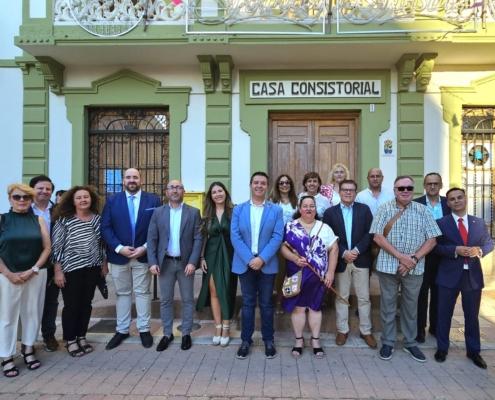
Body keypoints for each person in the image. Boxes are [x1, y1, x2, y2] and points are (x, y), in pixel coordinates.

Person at [370, 175, 441, 363]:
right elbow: (378, 237)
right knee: (388, 305)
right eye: (401, 188)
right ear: (394, 190)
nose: (405, 191)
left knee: (412, 306)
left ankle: (410, 343)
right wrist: (402, 257)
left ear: (414, 190)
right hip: (388, 266)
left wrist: (414, 259)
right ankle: (388, 341)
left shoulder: (423, 211)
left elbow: (432, 239)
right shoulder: (384, 209)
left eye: (409, 188)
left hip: (415, 268)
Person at [433, 188, 494, 369]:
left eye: (460, 197)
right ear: (448, 203)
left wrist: (479, 250)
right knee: (444, 314)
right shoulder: (441, 223)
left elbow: (489, 243)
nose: (457, 201)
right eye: (452, 199)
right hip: (448, 275)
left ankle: (473, 351)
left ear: (465, 199)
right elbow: (435, 247)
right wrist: (454, 250)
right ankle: (442, 348)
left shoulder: (479, 222)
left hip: (472, 276)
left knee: (472, 316)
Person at [102, 168, 162, 350]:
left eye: (135, 177)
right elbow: (105, 227)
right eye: (128, 177)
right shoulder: (112, 200)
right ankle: (122, 329)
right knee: (122, 293)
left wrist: (145, 247)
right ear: (123, 181)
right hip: (119, 256)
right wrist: (120, 248)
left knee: (143, 293)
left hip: (143, 255)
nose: (132, 180)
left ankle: (144, 329)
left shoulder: (153, 200)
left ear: (141, 180)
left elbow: (158, 227)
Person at [231, 171, 284, 360]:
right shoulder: (239, 209)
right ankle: (246, 340)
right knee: (247, 303)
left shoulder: (276, 210)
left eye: (263, 183)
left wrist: (261, 259)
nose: (259, 186)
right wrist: (250, 259)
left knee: (266, 304)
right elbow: (235, 236)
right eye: (256, 183)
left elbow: (277, 237)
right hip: (245, 264)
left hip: (266, 264)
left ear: (267, 186)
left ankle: (268, 339)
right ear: (250, 185)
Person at [51, 185, 108, 358]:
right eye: (79, 197)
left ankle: (82, 336)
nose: (83, 200)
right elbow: (57, 247)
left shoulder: (98, 220)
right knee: (72, 305)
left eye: (86, 197)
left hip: (92, 268)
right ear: (72, 201)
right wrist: (58, 271)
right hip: (70, 269)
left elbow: (102, 244)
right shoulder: (64, 220)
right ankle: (70, 339)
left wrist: (104, 264)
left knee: (86, 303)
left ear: (91, 199)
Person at [0, 184, 51, 378]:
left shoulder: (38, 220)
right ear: (10, 199)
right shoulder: (2, 219)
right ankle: (6, 356)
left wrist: (34, 269)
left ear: (31, 200)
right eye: (17, 197)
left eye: (26, 198)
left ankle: (28, 350)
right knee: (7, 317)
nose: (21, 200)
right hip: (7, 276)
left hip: (35, 274)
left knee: (32, 313)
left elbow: (47, 247)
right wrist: (7, 273)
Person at [147, 180, 203, 352]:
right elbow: (152, 238)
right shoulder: (158, 212)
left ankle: (186, 333)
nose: (175, 190)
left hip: (186, 263)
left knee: (187, 299)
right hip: (166, 263)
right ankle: (167, 334)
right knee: (166, 300)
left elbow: (198, 238)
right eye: (171, 187)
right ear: (166, 193)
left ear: (183, 191)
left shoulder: (193, 212)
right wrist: (153, 261)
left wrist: (193, 261)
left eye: (178, 187)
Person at [280, 195, 338, 359]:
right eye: (305, 206)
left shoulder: (324, 227)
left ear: (315, 208)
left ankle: (315, 340)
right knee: (298, 307)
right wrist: (294, 258)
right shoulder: (290, 226)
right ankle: (299, 341)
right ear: (299, 208)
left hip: (317, 276)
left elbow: (334, 248)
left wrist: (330, 272)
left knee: (315, 307)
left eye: (311, 206)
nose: (308, 209)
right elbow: (282, 247)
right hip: (296, 274)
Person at [322, 180, 376, 348]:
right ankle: (342, 330)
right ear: (339, 192)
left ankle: (366, 331)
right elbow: (328, 235)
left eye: (351, 190)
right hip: (340, 259)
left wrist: (357, 250)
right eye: (345, 190)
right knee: (342, 297)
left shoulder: (364, 210)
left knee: (364, 298)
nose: (347, 193)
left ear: (355, 192)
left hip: (361, 259)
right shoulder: (330, 213)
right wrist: (344, 252)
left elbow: (370, 232)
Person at [196, 182, 237, 346]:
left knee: (226, 289)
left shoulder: (235, 211)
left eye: (220, 191)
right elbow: (203, 238)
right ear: (210, 196)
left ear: (225, 193)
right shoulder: (206, 214)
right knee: (213, 290)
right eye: (214, 192)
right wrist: (201, 258)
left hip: (229, 253)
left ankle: (226, 326)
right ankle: (218, 327)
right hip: (211, 254)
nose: (218, 194)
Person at [413, 173, 451, 343]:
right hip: (423, 254)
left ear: (440, 185)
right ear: (424, 185)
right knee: (421, 293)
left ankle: (435, 326)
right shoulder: (416, 204)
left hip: (444, 255)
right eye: (429, 184)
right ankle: (420, 328)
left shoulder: (448, 203)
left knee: (439, 292)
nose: (432, 186)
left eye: (436, 183)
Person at [28, 175, 59, 352]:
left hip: (53, 262)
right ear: (32, 189)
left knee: (51, 300)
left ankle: (48, 334)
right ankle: (28, 338)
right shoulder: (23, 208)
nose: (44, 191)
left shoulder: (58, 211)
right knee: (30, 301)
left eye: (48, 189)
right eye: (40, 188)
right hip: (30, 261)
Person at [268, 174, 298, 315]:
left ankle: (290, 300)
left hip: (293, 242)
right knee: (278, 272)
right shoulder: (272, 201)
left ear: (291, 184)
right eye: (281, 182)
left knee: (291, 272)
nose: (284, 185)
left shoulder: (296, 201)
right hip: (276, 241)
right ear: (277, 184)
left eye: (287, 182)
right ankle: (278, 301)